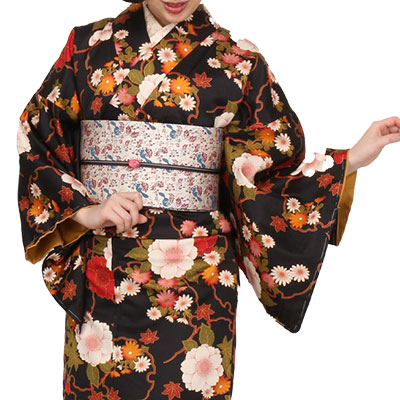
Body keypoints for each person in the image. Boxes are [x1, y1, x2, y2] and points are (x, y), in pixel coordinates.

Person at [17, 0, 400, 399]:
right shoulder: (87, 47)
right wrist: (86, 211)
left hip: (199, 279)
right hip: (106, 268)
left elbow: (268, 178)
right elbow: (38, 136)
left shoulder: (240, 62)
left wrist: (350, 159)